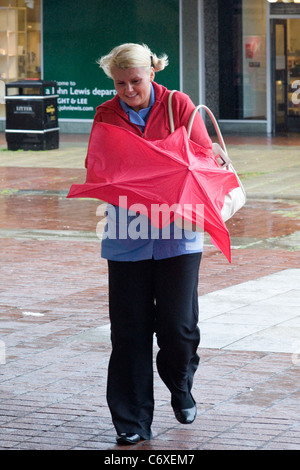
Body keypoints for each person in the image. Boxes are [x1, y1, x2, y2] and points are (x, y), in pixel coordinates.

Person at [91, 43, 212, 445]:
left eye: (135, 81)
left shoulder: (179, 105)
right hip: (128, 234)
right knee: (129, 333)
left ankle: (180, 384)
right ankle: (132, 422)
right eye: (120, 83)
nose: (127, 90)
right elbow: (98, 167)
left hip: (178, 233)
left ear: (152, 74)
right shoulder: (106, 113)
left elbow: (204, 158)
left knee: (177, 330)